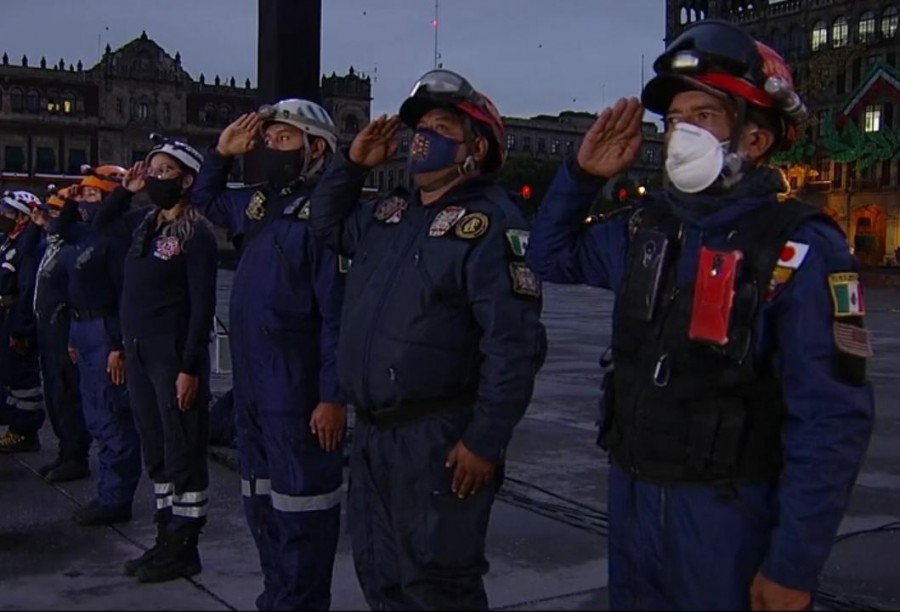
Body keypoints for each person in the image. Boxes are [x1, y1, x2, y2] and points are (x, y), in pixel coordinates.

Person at [525, 20, 875, 611]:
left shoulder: (799, 249)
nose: (682, 133)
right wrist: (581, 176)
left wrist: (791, 566)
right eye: (676, 119)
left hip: (727, 519)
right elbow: (550, 256)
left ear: (756, 138)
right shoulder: (647, 227)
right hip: (635, 502)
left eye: (703, 117)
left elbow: (832, 421)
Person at [310, 69, 548, 610]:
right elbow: (325, 225)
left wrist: (485, 441)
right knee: (381, 574)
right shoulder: (392, 214)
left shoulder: (489, 225)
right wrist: (352, 164)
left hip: (437, 440)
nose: (422, 138)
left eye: (441, 126)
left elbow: (514, 346)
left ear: (477, 147)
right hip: (373, 436)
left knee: (438, 585)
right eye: (420, 127)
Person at [190, 99, 346, 610]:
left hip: (298, 391)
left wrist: (332, 396)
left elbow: (336, 317)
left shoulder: (328, 214)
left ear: (315, 148)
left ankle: (299, 603)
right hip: (255, 388)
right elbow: (205, 199)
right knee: (261, 503)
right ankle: (276, 598)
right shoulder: (261, 203)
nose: (269, 148)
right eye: (268, 139)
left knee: (303, 510)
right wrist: (220, 152)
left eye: (282, 139)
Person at [93, 135, 217, 583]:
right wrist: (125, 190)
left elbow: (202, 307)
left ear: (186, 180)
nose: (155, 177)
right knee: (157, 448)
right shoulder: (145, 225)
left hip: (173, 358)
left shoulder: (195, 234)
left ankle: (185, 543)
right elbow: (100, 227)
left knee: (182, 447)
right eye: (151, 168)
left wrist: (189, 367)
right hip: (140, 354)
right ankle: (164, 537)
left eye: (164, 171)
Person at [50, 164, 143, 526]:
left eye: (93, 194)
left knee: (112, 417)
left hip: (106, 329)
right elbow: (60, 228)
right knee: (95, 414)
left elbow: (125, 293)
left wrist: (120, 345)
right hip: (82, 326)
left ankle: (116, 498)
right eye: (84, 195)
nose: (87, 202)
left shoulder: (117, 235)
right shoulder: (85, 234)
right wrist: (72, 199)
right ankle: (108, 491)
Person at [31, 186, 92, 480]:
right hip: (47, 331)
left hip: (64, 331)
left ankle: (75, 455)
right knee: (54, 394)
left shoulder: (72, 248)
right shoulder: (51, 243)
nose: (49, 218)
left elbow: (77, 294)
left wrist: (72, 338)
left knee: (68, 396)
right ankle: (64, 452)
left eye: (55, 213)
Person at [0, 190, 45, 452]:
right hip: (5, 316)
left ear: (21, 217)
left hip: (17, 318)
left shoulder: (31, 247)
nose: (2, 216)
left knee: (22, 378)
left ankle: (24, 432)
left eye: (7, 212)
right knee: (8, 374)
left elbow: (27, 290)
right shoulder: (8, 242)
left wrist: (21, 329)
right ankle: (14, 423)